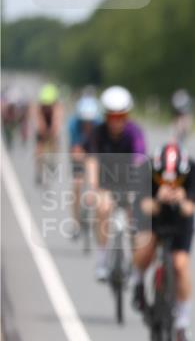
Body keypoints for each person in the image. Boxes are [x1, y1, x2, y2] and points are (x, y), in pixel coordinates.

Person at [132, 143, 195, 341]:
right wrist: (158, 199)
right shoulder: (145, 170)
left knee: (180, 265)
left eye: (175, 181)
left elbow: (189, 210)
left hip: (180, 220)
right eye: (163, 179)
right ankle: (137, 282)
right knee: (144, 248)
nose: (169, 184)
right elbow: (143, 206)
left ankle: (182, 323)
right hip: (155, 216)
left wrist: (181, 199)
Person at [85, 86, 147, 281]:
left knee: (135, 219)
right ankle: (102, 259)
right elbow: (92, 161)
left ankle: (135, 266)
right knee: (103, 208)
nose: (116, 121)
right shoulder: (97, 133)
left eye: (121, 116)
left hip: (129, 178)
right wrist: (94, 187)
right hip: (106, 180)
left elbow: (139, 160)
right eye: (112, 116)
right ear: (105, 116)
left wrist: (136, 189)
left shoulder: (134, 132)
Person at [67, 95, 103, 237]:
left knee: (98, 183)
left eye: (90, 121)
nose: (87, 124)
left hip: (95, 153)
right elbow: (74, 148)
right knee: (77, 183)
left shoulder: (100, 125)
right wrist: (79, 157)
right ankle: (75, 221)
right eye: (85, 121)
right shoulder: (74, 125)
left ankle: (95, 216)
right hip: (79, 151)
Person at [32, 83, 64, 185]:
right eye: (44, 104)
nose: (46, 107)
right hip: (43, 126)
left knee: (54, 142)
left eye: (49, 105)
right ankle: (39, 171)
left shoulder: (57, 107)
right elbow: (39, 123)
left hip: (52, 125)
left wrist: (53, 132)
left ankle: (53, 160)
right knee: (39, 149)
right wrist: (43, 130)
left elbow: (56, 122)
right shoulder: (38, 107)